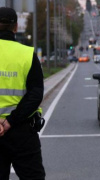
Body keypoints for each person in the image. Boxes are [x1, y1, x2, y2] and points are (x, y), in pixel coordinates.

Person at [0, 7, 45, 180]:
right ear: (15, 27)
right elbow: (35, 94)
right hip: (21, 132)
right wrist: (10, 121)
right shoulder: (27, 55)